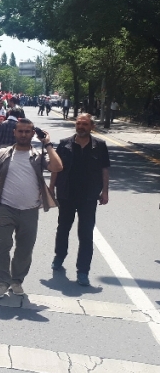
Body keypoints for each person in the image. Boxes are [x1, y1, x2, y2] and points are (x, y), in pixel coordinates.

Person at [0, 118, 62, 297]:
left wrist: (48, 144)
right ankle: (2, 281)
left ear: (33, 134)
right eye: (20, 131)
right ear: (14, 132)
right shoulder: (3, 153)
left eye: (27, 131)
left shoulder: (39, 156)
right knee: (1, 245)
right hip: (6, 207)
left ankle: (16, 280)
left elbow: (57, 166)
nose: (23, 134)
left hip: (30, 210)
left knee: (25, 249)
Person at [50, 114, 110, 286]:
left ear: (92, 126)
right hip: (66, 194)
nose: (81, 126)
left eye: (85, 124)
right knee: (63, 229)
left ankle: (83, 271)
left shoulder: (100, 146)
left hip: (89, 197)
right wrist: (51, 188)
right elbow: (56, 167)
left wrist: (105, 191)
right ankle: (59, 256)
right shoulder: (64, 144)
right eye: (78, 123)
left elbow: (104, 169)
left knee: (85, 234)